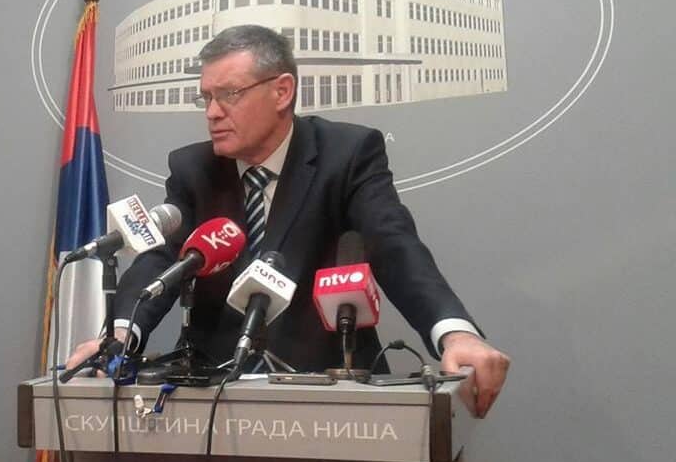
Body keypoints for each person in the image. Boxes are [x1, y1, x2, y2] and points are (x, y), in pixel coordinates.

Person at [67, 24, 509, 417]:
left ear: (282, 91)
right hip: (213, 393)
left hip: (329, 390)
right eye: (206, 97)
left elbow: (393, 244)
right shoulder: (193, 169)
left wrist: (454, 333)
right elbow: (163, 256)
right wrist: (121, 334)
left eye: (229, 94)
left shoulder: (346, 155)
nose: (212, 112)